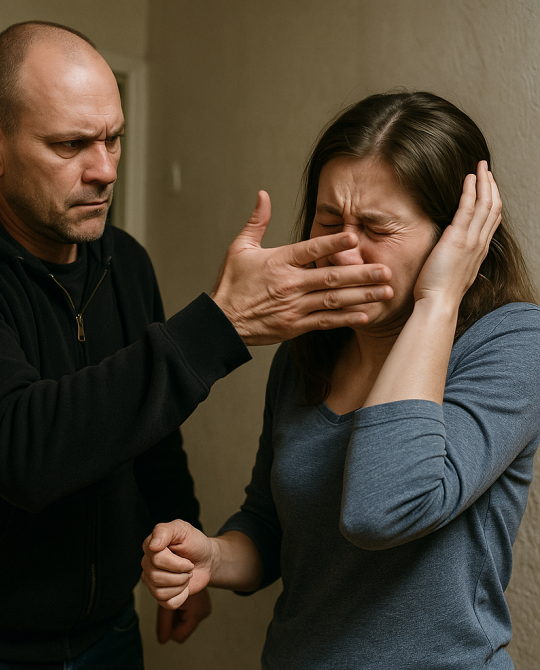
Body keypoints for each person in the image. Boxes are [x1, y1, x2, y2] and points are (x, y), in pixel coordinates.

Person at [0, 21, 396, 669]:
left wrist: (182, 543)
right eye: (70, 144)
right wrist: (220, 325)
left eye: (113, 138)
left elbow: (152, 437)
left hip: (109, 634)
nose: (104, 170)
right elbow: (24, 453)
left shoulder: (123, 260)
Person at [141, 91, 540, 669]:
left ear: (456, 234)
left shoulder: (511, 343)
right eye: (329, 221)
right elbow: (270, 524)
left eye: (377, 227)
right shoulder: (308, 350)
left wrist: (438, 299)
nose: (344, 250)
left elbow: (384, 508)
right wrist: (213, 557)